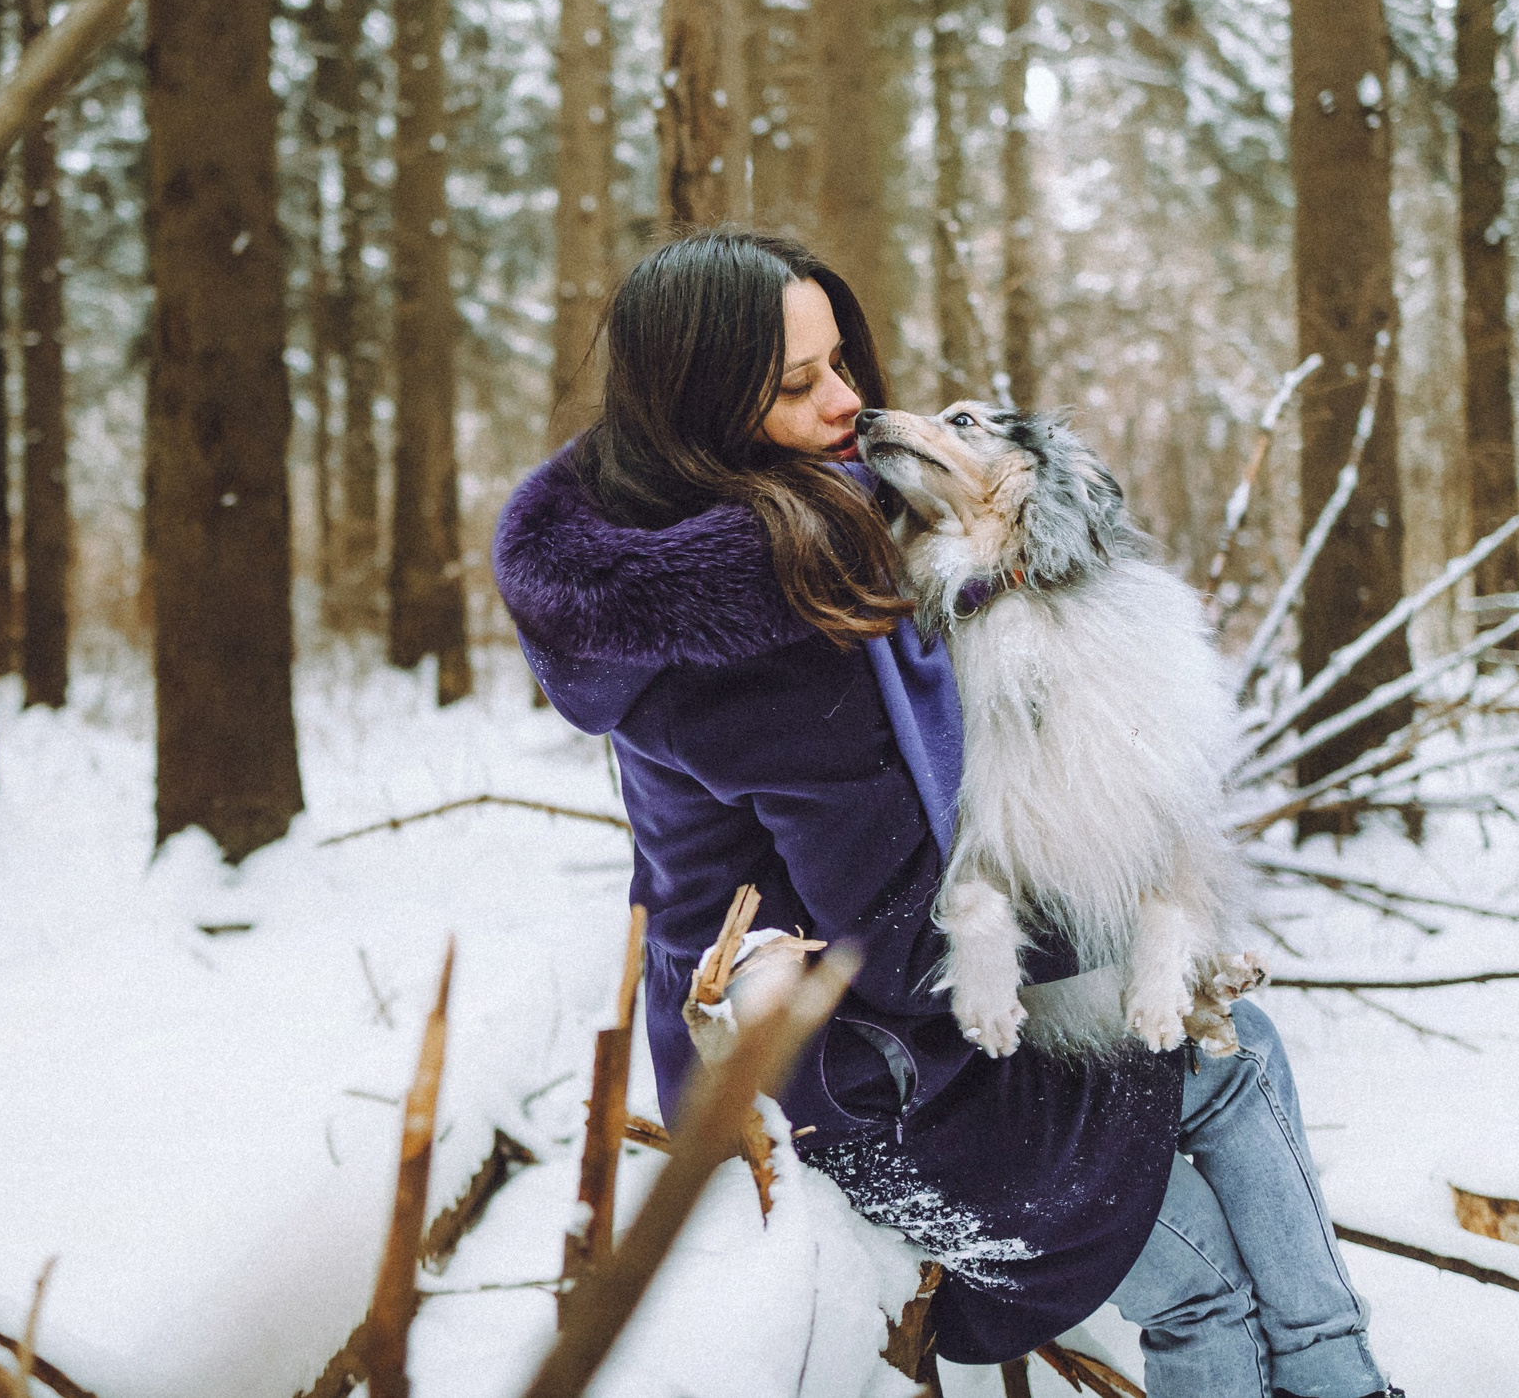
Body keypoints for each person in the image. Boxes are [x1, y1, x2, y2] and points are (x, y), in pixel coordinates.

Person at [493, 229, 1396, 1397]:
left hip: (881, 1025)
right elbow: (905, 935)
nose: (849, 400)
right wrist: (1145, 916)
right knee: (1200, 1258)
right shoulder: (761, 639)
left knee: (1239, 1047)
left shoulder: (749, 524)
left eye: (841, 360)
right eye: (797, 383)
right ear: (707, 408)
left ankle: (1338, 1375)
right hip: (854, 1080)